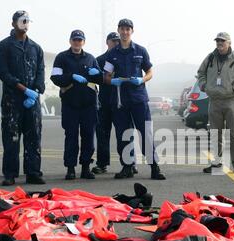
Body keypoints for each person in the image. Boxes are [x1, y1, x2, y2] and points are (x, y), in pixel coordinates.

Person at [103, 18, 165, 180]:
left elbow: (150, 72)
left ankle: (154, 167)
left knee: (146, 132)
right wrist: (112, 80)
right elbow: (106, 76)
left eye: (127, 29)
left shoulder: (140, 51)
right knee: (123, 134)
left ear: (132, 31)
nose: (124, 32)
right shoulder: (112, 53)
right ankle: (127, 167)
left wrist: (142, 80)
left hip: (138, 99)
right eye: (122, 29)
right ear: (118, 30)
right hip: (120, 100)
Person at [0, 10, 46, 186]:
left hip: (33, 100)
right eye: (21, 21)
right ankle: (10, 173)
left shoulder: (36, 47)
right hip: (13, 100)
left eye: (27, 21)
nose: (25, 24)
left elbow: (40, 71)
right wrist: (23, 89)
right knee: (11, 137)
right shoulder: (4, 46)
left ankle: (33, 172)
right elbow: (3, 72)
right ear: (13, 23)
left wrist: (37, 91)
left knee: (34, 137)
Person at [50, 30, 103, 180]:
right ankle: (71, 168)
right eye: (75, 40)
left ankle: (86, 167)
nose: (77, 42)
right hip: (70, 104)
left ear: (83, 42)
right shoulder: (61, 57)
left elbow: (100, 79)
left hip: (89, 104)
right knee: (71, 137)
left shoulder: (91, 59)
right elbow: (55, 77)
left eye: (80, 40)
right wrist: (71, 76)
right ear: (70, 41)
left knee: (88, 137)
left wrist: (96, 74)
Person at [197, 32, 234, 175]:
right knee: (216, 133)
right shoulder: (210, 58)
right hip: (214, 101)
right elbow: (200, 73)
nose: (219, 44)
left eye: (222, 41)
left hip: (232, 100)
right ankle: (216, 162)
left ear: (229, 43)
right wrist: (204, 86)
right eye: (217, 41)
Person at [92, 32, 138, 176]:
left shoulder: (124, 57)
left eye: (118, 41)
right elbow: (94, 80)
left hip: (122, 102)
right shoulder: (99, 60)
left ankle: (130, 164)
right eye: (113, 41)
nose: (116, 43)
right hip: (105, 102)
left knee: (125, 134)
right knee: (102, 133)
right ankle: (102, 163)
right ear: (107, 42)